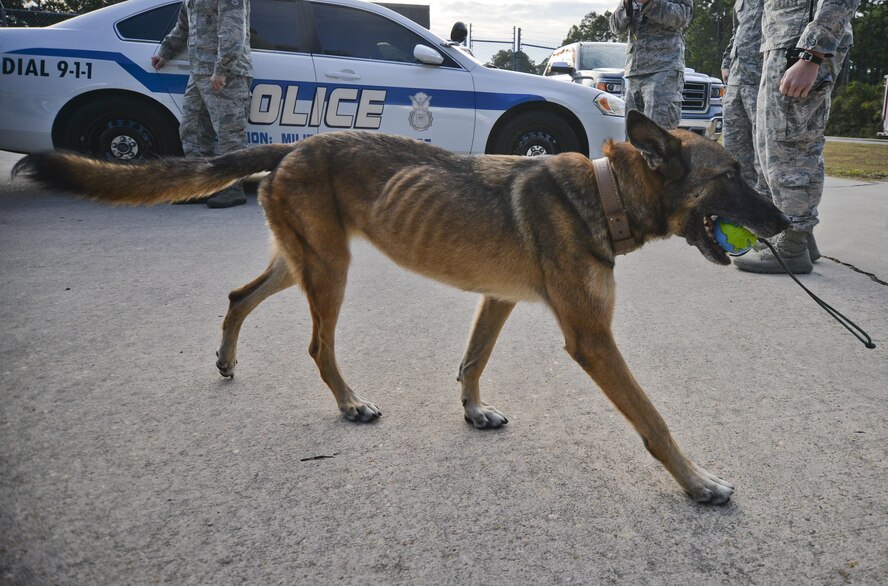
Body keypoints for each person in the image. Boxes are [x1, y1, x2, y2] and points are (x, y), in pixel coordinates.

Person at [733, 0, 860, 274]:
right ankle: (801, 236)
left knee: (791, 145)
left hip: (801, 45)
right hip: (783, 43)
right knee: (773, 145)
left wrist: (812, 54)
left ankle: (792, 245)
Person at [151, 0, 252, 209]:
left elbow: (233, 31)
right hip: (198, 72)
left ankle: (233, 189)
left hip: (226, 74)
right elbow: (183, 27)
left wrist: (222, 69)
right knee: (192, 130)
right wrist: (165, 51)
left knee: (229, 133)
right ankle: (203, 186)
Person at [609, 0, 694, 130]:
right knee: (633, 140)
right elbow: (615, 27)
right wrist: (627, 5)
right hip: (634, 72)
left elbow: (683, 16)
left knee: (659, 137)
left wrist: (649, 3)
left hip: (663, 70)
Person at [720, 0, 768, 195]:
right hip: (736, 80)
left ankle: (768, 209)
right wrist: (726, 61)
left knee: (764, 154)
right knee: (734, 155)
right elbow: (737, 32)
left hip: (763, 78)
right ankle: (741, 206)